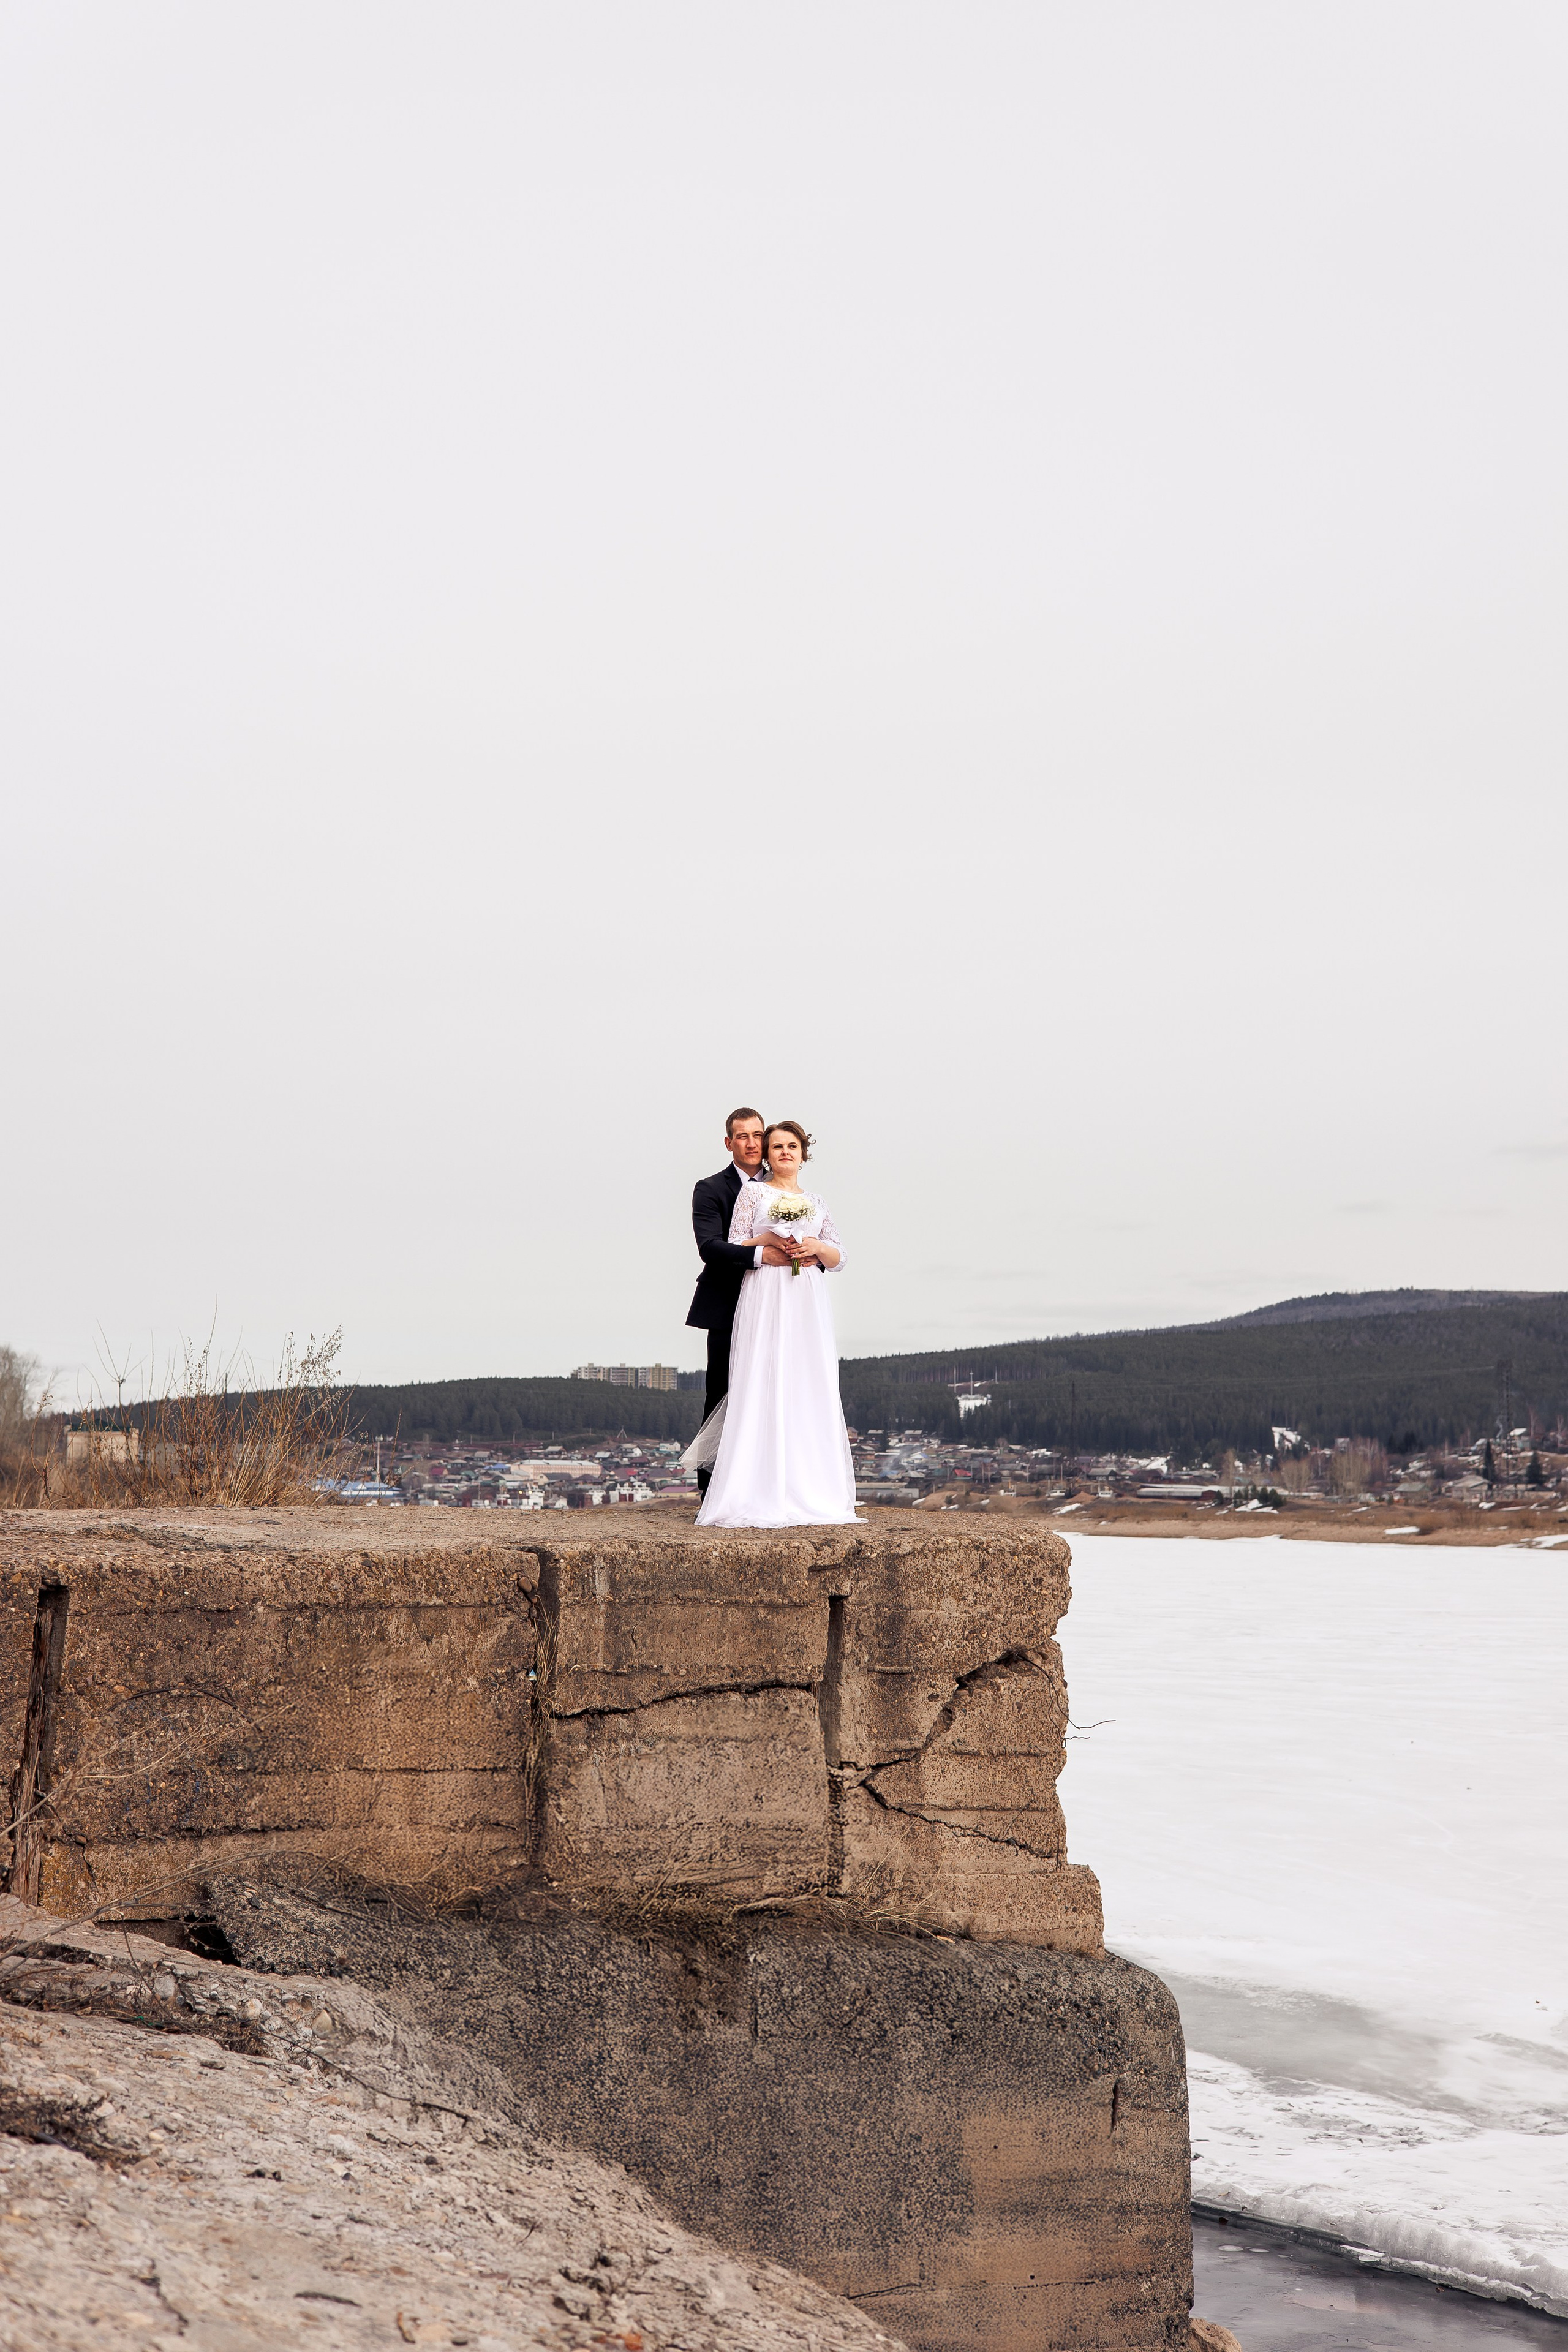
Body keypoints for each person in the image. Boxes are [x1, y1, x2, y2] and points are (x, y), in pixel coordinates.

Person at [688, 1120, 859, 1528]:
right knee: (745, 1383)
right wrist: (768, 1245)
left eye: (792, 1146)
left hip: (805, 1298)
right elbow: (723, 1243)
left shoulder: (816, 1199)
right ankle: (727, 1488)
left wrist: (816, 1247)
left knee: (805, 1380)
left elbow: (839, 1255)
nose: (784, 1152)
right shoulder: (743, 1191)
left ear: (803, 1153)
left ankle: (807, 1484)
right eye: (777, 1146)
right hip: (762, 1293)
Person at [685, 1108, 796, 1495]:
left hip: (778, 1303)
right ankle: (711, 1491)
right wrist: (762, 1254)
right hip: (728, 1305)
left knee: (778, 1389)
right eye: (742, 1136)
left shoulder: (786, 1185)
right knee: (722, 1393)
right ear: (729, 1143)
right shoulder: (710, 1188)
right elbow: (710, 1247)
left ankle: (770, 1485)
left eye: (757, 1135)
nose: (752, 1144)